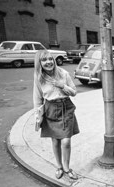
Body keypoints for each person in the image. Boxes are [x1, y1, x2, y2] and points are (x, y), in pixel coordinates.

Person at [33, 50, 80, 180]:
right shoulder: (39, 78)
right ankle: (59, 166)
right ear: (39, 63)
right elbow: (37, 99)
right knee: (55, 140)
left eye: (50, 59)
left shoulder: (63, 74)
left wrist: (62, 86)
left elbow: (74, 92)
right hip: (50, 108)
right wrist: (38, 115)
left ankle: (66, 168)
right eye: (44, 60)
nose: (48, 62)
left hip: (66, 107)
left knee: (66, 141)